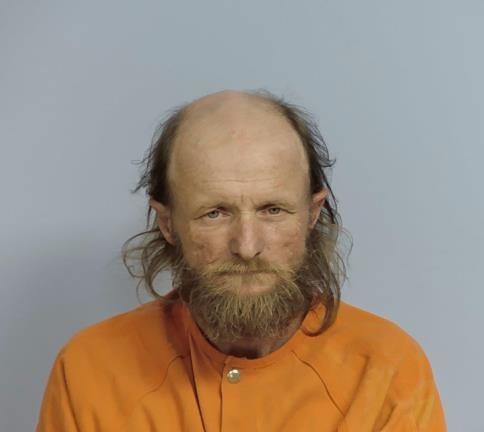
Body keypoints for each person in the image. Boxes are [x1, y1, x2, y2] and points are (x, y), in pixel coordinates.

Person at [36, 89, 447, 431]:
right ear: (168, 223)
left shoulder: (385, 371)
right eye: (215, 213)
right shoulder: (91, 369)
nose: (247, 247)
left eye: (273, 210)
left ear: (312, 214)